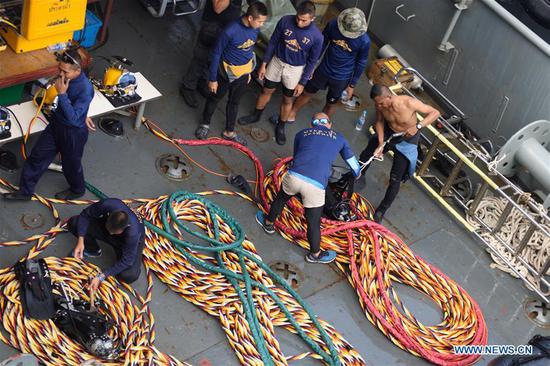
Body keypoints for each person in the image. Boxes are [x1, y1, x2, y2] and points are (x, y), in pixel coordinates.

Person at [255, 112, 361, 264]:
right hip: (316, 186)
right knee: (313, 221)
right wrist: (357, 173)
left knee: (281, 199)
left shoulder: (301, 133)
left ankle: (268, 223)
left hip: (294, 176)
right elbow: (352, 162)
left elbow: (297, 156)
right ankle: (315, 254)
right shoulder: (339, 138)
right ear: (329, 124)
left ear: (312, 125)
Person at [3, 48, 95, 201]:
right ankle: (25, 192)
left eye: (65, 72)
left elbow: (74, 120)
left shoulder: (85, 89)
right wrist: (81, 113)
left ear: (77, 70)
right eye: (60, 69)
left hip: (73, 134)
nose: (61, 74)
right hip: (56, 125)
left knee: (71, 165)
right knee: (36, 157)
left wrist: (62, 94)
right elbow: (75, 111)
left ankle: (78, 189)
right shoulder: (66, 79)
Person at [237, 1, 324, 145]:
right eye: (298, 18)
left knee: (287, 99)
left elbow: (312, 60)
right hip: (277, 61)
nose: (299, 22)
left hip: (295, 69)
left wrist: (302, 82)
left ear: (312, 19)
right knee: (266, 90)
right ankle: (256, 115)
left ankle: (281, 126)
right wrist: (264, 64)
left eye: (304, 20)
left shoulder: (317, 37)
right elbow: (273, 42)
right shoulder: (285, 21)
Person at [279, 8, 370, 144]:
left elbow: (361, 62)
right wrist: (312, 65)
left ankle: (322, 126)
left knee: (331, 102)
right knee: (307, 92)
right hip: (323, 69)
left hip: (342, 76)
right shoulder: (333, 25)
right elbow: (321, 44)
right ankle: (292, 113)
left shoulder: (364, 41)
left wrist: (352, 84)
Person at [357, 84, 440, 223]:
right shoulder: (380, 105)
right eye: (378, 104)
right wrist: (381, 142)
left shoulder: (408, 102)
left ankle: (382, 210)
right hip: (389, 133)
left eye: (382, 103)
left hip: (407, 140)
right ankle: (357, 176)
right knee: (367, 154)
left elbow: (435, 112)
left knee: (396, 178)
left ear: (389, 97)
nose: (380, 106)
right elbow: (379, 122)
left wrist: (418, 126)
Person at [195, 1, 268, 146]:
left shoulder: (255, 29)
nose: (261, 25)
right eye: (260, 21)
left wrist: (248, 73)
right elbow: (216, 53)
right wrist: (213, 78)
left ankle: (229, 131)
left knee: (235, 102)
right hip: (225, 72)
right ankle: (205, 124)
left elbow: (249, 50)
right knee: (214, 99)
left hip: (242, 73)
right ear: (250, 18)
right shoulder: (230, 30)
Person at [67, 198, 146, 291]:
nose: (111, 233)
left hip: (123, 242)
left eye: (114, 232)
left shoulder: (133, 234)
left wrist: (102, 275)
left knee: (129, 275)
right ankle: (92, 249)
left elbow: (127, 260)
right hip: (105, 226)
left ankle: (120, 252)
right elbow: (85, 215)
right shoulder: (107, 205)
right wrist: (81, 240)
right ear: (109, 215)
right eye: (110, 229)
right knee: (74, 223)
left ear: (124, 228)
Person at [179, 0, 244, 108]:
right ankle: (188, 86)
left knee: (212, 58)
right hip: (212, 25)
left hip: (227, 27)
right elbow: (218, 8)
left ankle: (201, 81)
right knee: (201, 57)